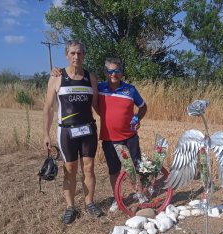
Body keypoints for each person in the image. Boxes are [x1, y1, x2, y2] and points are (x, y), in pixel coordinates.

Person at [43, 40, 103, 224]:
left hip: (88, 130)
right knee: (70, 170)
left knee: (89, 168)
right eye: (72, 53)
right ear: (67, 55)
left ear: (84, 55)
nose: (76, 56)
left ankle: (90, 203)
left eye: (79, 53)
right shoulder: (56, 77)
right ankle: (70, 207)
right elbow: (48, 108)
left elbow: (97, 106)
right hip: (66, 132)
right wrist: (46, 134)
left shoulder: (90, 77)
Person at [98, 57, 147, 212]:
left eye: (117, 71)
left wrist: (137, 118)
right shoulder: (99, 88)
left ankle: (139, 193)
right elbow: (81, 81)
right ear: (105, 72)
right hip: (109, 139)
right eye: (110, 71)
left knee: (135, 166)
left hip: (130, 136)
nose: (114, 74)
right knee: (114, 171)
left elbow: (143, 106)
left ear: (122, 72)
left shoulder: (130, 89)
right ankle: (117, 198)